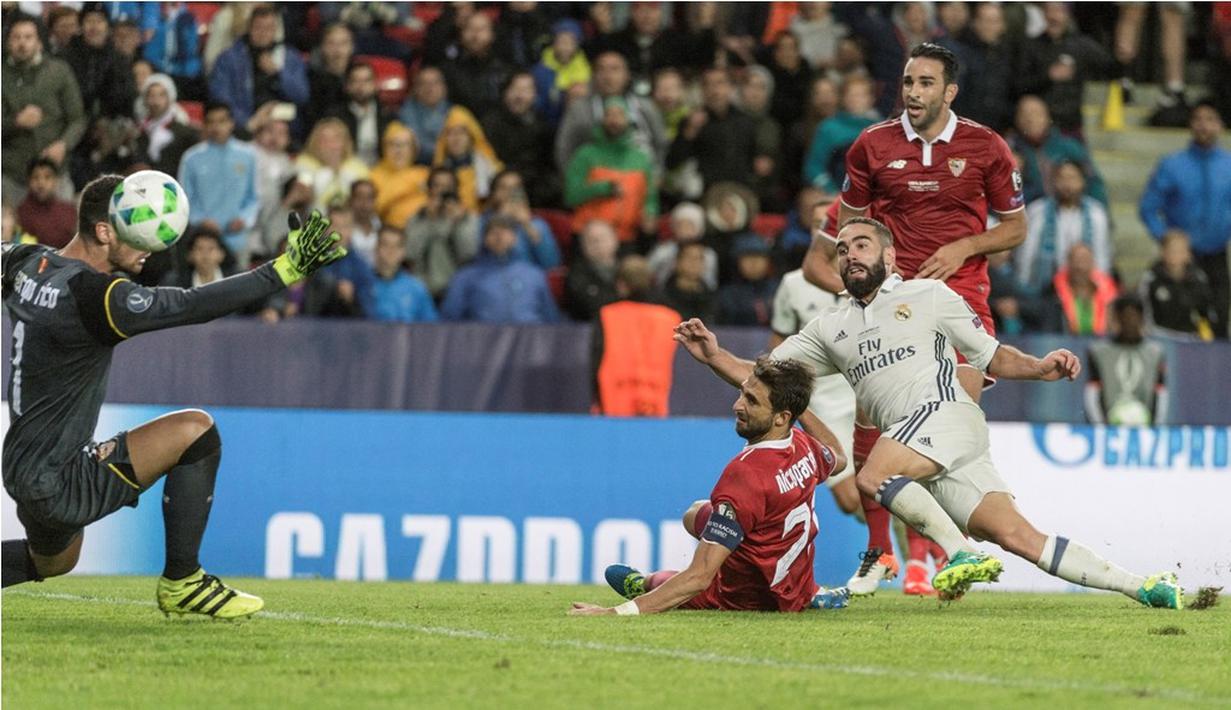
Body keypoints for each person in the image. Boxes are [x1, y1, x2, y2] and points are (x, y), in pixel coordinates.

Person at [675, 217, 1184, 608]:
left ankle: (960, 553)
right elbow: (766, 376)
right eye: (842, 249)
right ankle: (1143, 587)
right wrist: (713, 356)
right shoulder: (829, 327)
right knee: (1018, 537)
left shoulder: (929, 295)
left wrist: (1040, 367)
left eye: (861, 245)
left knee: (872, 476)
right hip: (924, 442)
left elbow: (989, 356)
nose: (850, 254)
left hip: (945, 414)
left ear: (890, 256)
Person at [0, 175, 344, 617]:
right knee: (196, 431)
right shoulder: (94, 296)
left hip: (23, 464)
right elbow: (190, 304)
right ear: (104, 231)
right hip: (57, 479)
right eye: (140, 231)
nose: (153, 246)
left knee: (54, 561)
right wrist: (283, 270)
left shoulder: (29, 262)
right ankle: (184, 582)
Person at [818, 42, 1027, 594]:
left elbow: (1015, 227)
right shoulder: (872, 145)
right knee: (872, 417)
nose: (913, 92)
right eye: (908, 82)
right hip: (893, 298)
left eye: (926, 83)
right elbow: (851, 226)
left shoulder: (986, 146)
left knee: (950, 423)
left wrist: (965, 247)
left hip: (962, 296)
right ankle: (882, 553)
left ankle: (937, 551)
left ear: (950, 91)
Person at [569, 357, 846, 615]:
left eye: (751, 401)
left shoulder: (746, 474)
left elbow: (699, 577)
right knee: (696, 514)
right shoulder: (804, 444)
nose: (737, 406)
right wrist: (798, 408)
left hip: (748, 597)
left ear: (781, 417)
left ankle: (644, 583)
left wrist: (614, 612)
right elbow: (839, 458)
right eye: (742, 393)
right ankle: (811, 592)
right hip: (795, 588)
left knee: (687, 565)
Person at [1138, 101, 1231, 339]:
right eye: (1198, 119)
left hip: (1217, 254)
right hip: (1181, 260)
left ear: (1220, 125)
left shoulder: (1228, 165)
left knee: (1219, 317)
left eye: (1210, 119)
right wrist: (1166, 239)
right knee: (1179, 320)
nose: (1204, 126)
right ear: (1190, 124)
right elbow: (1148, 207)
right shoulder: (1172, 165)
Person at [2, 14, 87, 203]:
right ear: (7, 43)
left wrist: (63, 144)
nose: (22, 43)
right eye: (16, 37)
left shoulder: (59, 71)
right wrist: (15, 122)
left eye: (28, 37)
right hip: (12, 174)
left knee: (64, 221)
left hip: (55, 171)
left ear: (39, 42)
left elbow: (77, 119)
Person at [590, 255, 680, 417]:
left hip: (614, 403)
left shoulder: (607, 314)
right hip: (655, 403)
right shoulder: (671, 318)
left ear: (621, 284)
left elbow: (597, 358)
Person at [564, 96, 658, 245]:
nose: (614, 120)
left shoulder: (641, 159)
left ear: (628, 121)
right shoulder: (586, 154)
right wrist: (603, 188)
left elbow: (650, 197)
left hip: (627, 238)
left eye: (619, 114)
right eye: (609, 114)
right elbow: (571, 196)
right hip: (589, 237)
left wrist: (650, 213)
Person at [178, 103, 261, 264]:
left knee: (240, 279)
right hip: (203, 242)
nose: (216, 127)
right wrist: (200, 220)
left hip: (238, 238)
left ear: (231, 123)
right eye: (211, 122)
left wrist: (244, 218)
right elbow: (184, 199)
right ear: (204, 125)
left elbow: (254, 196)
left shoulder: (248, 156)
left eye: (221, 121)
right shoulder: (191, 158)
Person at [1017, 160, 1112, 299]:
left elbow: (1101, 256)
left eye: (1072, 178)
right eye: (1062, 178)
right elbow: (1027, 255)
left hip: (1083, 291)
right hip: (1046, 290)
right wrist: (1024, 288)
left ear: (1083, 182)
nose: (1067, 184)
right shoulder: (1038, 211)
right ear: (1053, 182)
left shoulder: (1096, 213)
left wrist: (1100, 290)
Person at [440, 216, 560, 324]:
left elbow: (551, 318)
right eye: (492, 231)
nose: (499, 235)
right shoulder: (465, 277)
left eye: (505, 230)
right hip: (483, 339)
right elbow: (449, 320)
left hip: (531, 339)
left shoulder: (534, 275)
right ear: (484, 239)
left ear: (515, 238)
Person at [208, 4, 309, 132]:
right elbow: (220, 99)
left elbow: (302, 96)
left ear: (275, 30)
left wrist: (277, 74)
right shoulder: (229, 58)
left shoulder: (290, 57)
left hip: (283, 127)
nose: (263, 33)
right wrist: (249, 122)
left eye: (269, 28)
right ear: (249, 28)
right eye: (258, 28)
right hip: (244, 126)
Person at [1084, 296, 1167, 426]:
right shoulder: (1099, 352)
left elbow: (1161, 394)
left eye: (1134, 316)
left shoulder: (1155, 353)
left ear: (1142, 319)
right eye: (1125, 316)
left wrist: (1155, 427)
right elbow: (1092, 393)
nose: (1130, 322)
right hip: (1108, 425)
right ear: (1117, 318)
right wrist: (1100, 427)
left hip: (1145, 425)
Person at [404, 167, 480, 298]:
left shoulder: (468, 218)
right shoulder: (416, 219)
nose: (442, 191)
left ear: (456, 190)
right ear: (429, 190)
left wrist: (458, 224)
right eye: (437, 186)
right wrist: (429, 220)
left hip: (458, 290)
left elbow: (469, 254)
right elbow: (411, 255)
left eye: (448, 186)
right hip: (424, 290)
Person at [1139, 231, 1217, 341]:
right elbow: (1144, 310)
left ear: (1188, 254)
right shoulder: (1151, 279)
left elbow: (1205, 310)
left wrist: (1205, 334)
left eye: (1181, 251)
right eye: (1172, 251)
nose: (1176, 255)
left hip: (1190, 337)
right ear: (1163, 252)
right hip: (1159, 335)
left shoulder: (1199, 279)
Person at [322, 62, 397, 167]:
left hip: (381, 171)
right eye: (355, 81)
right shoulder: (335, 116)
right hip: (345, 169)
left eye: (366, 81)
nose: (361, 86)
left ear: (375, 85)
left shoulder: (387, 115)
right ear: (347, 86)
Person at [360, 227, 438, 324]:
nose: (391, 251)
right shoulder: (362, 284)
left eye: (397, 246)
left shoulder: (416, 288)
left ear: (403, 251)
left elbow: (431, 327)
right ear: (376, 248)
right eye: (386, 245)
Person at [295, 117, 371, 214]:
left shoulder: (359, 168)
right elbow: (302, 198)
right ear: (315, 143)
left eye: (336, 139)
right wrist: (329, 170)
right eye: (324, 140)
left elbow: (364, 204)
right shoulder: (303, 165)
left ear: (345, 143)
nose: (330, 145)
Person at [131, 73, 201, 176]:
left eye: (161, 95)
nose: (156, 101)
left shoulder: (184, 131)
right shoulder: (140, 131)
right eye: (151, 95)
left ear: (170, 98)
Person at [369, 123, 430, 231]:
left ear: (414, 150)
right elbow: (374, 207)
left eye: (404, 145)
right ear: (384, 148)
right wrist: (413, 185)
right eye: (393, 144)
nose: (398, 150)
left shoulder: (424, 173)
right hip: (390, 232)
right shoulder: (373, 176)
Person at [1052, 243, 1119, 337]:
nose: (1080, 266)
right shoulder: (1053, 294)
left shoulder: (1109, 294)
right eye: (1075, 260)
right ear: (1068, 263)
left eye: (1085, 260)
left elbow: (1114, 328)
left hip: (1100, 342)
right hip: (1066, 342)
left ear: (1093, 263)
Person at [565, 219, 621, 322]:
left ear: (615, 239)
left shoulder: (628, 268)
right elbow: (589, 305)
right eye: (591, 240)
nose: (598, 244)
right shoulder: (576, 274)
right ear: (582, 246)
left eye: (602, 238)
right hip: (589, 327)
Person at [716, 235, 778, 328]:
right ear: (738, 262)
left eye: (759, 257)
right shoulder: (727, 295)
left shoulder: (779, 290)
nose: (754, 263)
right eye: (747, 257)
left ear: (768, 261)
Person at [16, 158, 77, 249]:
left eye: (47, 177)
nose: (41, 183)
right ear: (28, 181)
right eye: (35, 177)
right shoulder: (20, 214)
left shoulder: (69, 211)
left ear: (56, 181)